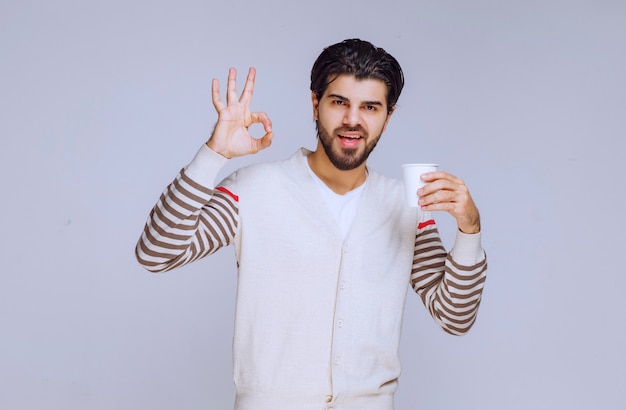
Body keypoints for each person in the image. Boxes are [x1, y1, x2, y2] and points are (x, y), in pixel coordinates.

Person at [136, 38, 487, 410]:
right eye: (339, 102)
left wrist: (469, 229)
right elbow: (157, 253)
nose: (353, 120)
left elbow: (455, 317)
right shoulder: (255, 190)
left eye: (370, 107)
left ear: (389, 116)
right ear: (315, 104)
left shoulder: (405, 206)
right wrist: (214, 153)